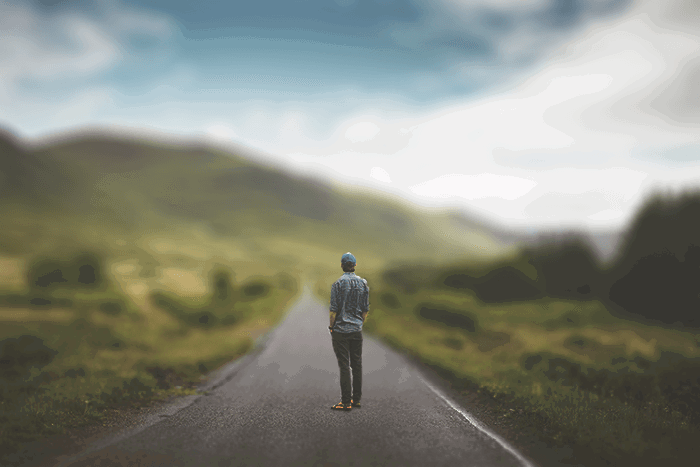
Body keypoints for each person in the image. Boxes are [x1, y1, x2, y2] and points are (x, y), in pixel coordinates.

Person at [329, 252, 369, 411]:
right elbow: (365, 310)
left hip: (340, 330)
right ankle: (356, 400)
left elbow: (333, 311)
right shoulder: (363, 283)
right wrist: (358, 324)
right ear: (355, 266)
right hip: (356, 329)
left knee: (344, 365)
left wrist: (331, 327)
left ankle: (345, 402)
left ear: (341, 265)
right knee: (357, 364)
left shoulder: (337, 284)